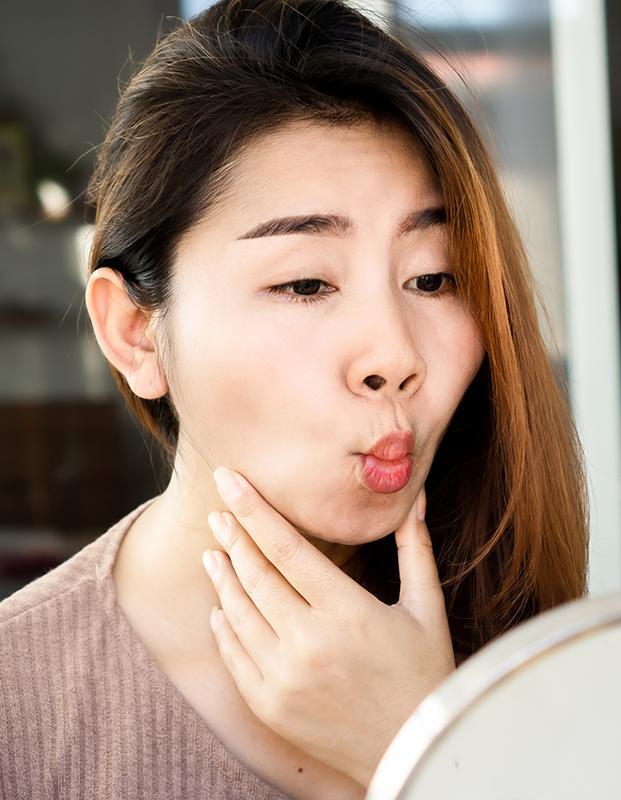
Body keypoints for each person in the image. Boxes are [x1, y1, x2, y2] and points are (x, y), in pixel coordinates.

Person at [0, 1, 589, 797]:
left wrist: (415, 746)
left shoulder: (567, 671)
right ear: (136, 332)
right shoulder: (20, 707)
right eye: (305, 282)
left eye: (433, 278)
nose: (394, 356)